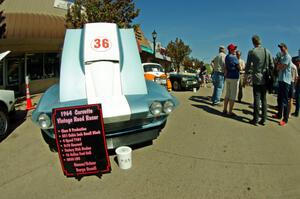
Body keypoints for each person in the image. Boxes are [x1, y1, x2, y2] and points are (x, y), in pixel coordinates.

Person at [245, 35, 274, 126]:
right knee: (264, 99)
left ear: (253, 42)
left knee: (257, 98)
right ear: (260, 41)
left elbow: (248, 66)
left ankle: (256, 119)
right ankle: (264, 119)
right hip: (265, 78)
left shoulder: (252, 52)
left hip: (256, 78)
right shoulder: (267, 51)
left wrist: (246, 76)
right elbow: (272, 65)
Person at [272, 43, 292, 126]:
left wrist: (278, 65)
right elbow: (277, 67)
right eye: (280, 47)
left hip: (285, 81)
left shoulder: (287, 56)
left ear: (286, 47)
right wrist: (278, 65)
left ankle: (285, 119)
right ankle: (279, 114)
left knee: (284, 101)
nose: (280, 48)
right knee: (279, 99)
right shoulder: (282, 57)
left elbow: (281, 67)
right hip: (281, 80)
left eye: (282, 47)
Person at [223, 43, 240, 116]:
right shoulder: (234, 57)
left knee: (227, 94)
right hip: (234, 77)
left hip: (228, 77)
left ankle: (224, 109)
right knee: (233, 95)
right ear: (231, 50)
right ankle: (230, 111)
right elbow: (239, 67)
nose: (235, 50)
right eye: (234, 49)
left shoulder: (227, 57)